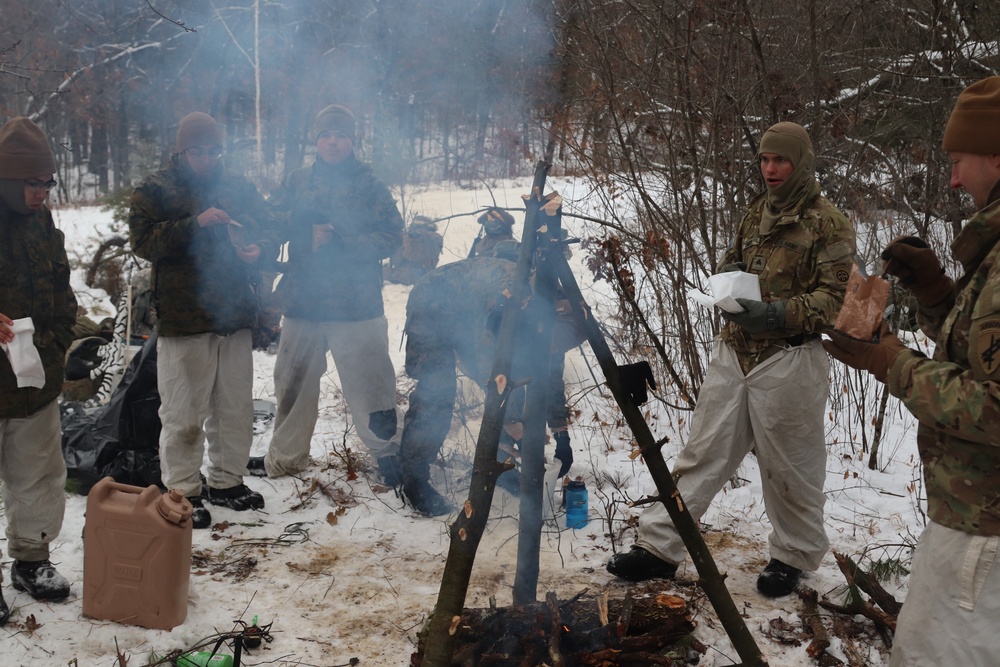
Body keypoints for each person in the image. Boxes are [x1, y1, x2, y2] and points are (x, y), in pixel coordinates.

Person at [606, 122, 856, 597]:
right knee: (702, 452)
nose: (770, 169)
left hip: (790, 358)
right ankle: (658, 548)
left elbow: (834, 301)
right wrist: (726, 284)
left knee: (791, 466)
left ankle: (792, 557)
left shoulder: (828, 222)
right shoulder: (755, 212)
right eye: (764, 160)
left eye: (780, 160)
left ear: (800, 162)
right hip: (735, 352)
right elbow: (731, 259)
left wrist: (775, 314)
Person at [823, 76, 1000, 665]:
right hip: (973, 517)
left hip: (986, 536)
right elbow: (982, 347)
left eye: (957, 160)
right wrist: (935, 291)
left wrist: (889, 361)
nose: (952, 177)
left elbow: (995, 405)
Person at [129, 111, 278, 529]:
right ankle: (181, 491)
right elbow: (142, 242)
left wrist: (259, 248)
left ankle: (227, 482)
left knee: (234, 406)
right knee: (183, 413)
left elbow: (270, 225)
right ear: (182, 150)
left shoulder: (238, 185)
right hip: (183, 317)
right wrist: (193, 225)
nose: (207, 159)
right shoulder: (156, 188)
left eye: (214, 151)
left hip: (233, 313)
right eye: (198, 151)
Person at [249, 104, 405, 484]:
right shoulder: (298, 181)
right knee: (292, 384)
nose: (333, 142)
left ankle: (391, 461)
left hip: (357, 306)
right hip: (305, 304)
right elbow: (270, 223)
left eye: (340, 135)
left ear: (353, 141)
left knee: (373, 388)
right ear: (316, 140)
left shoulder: (369, 183)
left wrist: (344, 242)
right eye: (326, 135)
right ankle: (286, 459)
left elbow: (391, 235)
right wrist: (296, 234)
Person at [399, 255, 580, 516]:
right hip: (434, 305)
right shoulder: (508, 304)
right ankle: (413, 479)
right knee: (438, 391)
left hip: (469, 312)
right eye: (550, 345)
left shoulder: (557, 320)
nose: (552, 350)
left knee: (512, 387)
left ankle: (502, 467)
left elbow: (551, 380)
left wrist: (562, 434)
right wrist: (517, 429)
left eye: (557, 348)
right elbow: (489, 372)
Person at [0, 116, 76, 620]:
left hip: (35, 379)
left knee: (40, 475)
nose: (41, 194)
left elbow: (62, 287)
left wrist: (57, 343)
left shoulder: (43, 221)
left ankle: (31, 559)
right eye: (32, 183)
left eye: (48, 184)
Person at [385, 215, 444, 285]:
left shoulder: (431, 238)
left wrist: (410, 239)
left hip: (414, 275)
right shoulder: (410, 236)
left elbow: (408, 255)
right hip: (412, 273)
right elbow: (397, 260)